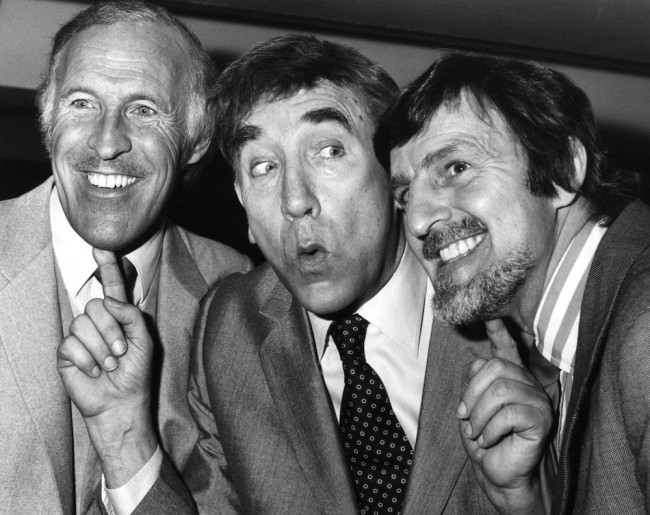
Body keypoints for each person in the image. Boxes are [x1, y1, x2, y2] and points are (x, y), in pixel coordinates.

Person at [58, 36, 551, 514]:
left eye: (329, 151)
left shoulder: (508, 300)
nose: (295, 200)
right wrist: (123, 433)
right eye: (264, 166)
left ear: (394, 176)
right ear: (243, 206)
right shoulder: (230, 328)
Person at [0, 2, 251, 513]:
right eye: (82, 103)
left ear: (197, 141)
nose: (108, 142)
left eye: (143, 109)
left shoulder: (241, 295)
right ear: (48, 121)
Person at [384, 53, 645, 513]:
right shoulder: (578, 345)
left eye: (456, 168)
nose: (420, 220)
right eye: (405, 196)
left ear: (563, 169)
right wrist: (528, 501)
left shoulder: (644, 326)